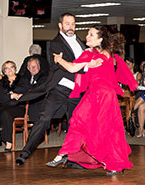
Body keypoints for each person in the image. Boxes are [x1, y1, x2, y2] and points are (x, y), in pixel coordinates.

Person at [45, 25, 138, 176]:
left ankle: (68, 154)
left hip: (99, 97)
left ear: (100, 39)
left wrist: (59, 60)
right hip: (104, 96)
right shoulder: (108, 54)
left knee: (93, 127)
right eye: (88, 34)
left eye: (91, 35)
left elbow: (72, 69)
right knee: (92, 126)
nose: (87, 37)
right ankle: (65, 153)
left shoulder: (90, 54)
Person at [16, 13, 98, 166]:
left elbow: (79, 63)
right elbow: (70, 66)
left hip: (76, 92)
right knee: (44, 118)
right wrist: (87, 66)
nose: (70, 27)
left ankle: (73, 159)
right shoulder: (55, 44)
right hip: (59, 89)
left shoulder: (80, 43)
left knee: (77, 125)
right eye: (67, 24)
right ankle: (25, 153)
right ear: (60, 26)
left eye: (73, 23)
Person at [0, 61, 28, 152]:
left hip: (19, 106)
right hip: (4, 105)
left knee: (6, 113)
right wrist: (10, 96)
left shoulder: (23, 80)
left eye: (12, 67)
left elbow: (28, 92)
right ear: (4, 71)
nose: (9, 70)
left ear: (15, 69)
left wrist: (21, 95)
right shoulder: (1, 82)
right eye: (6, 68)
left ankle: (8, 141)